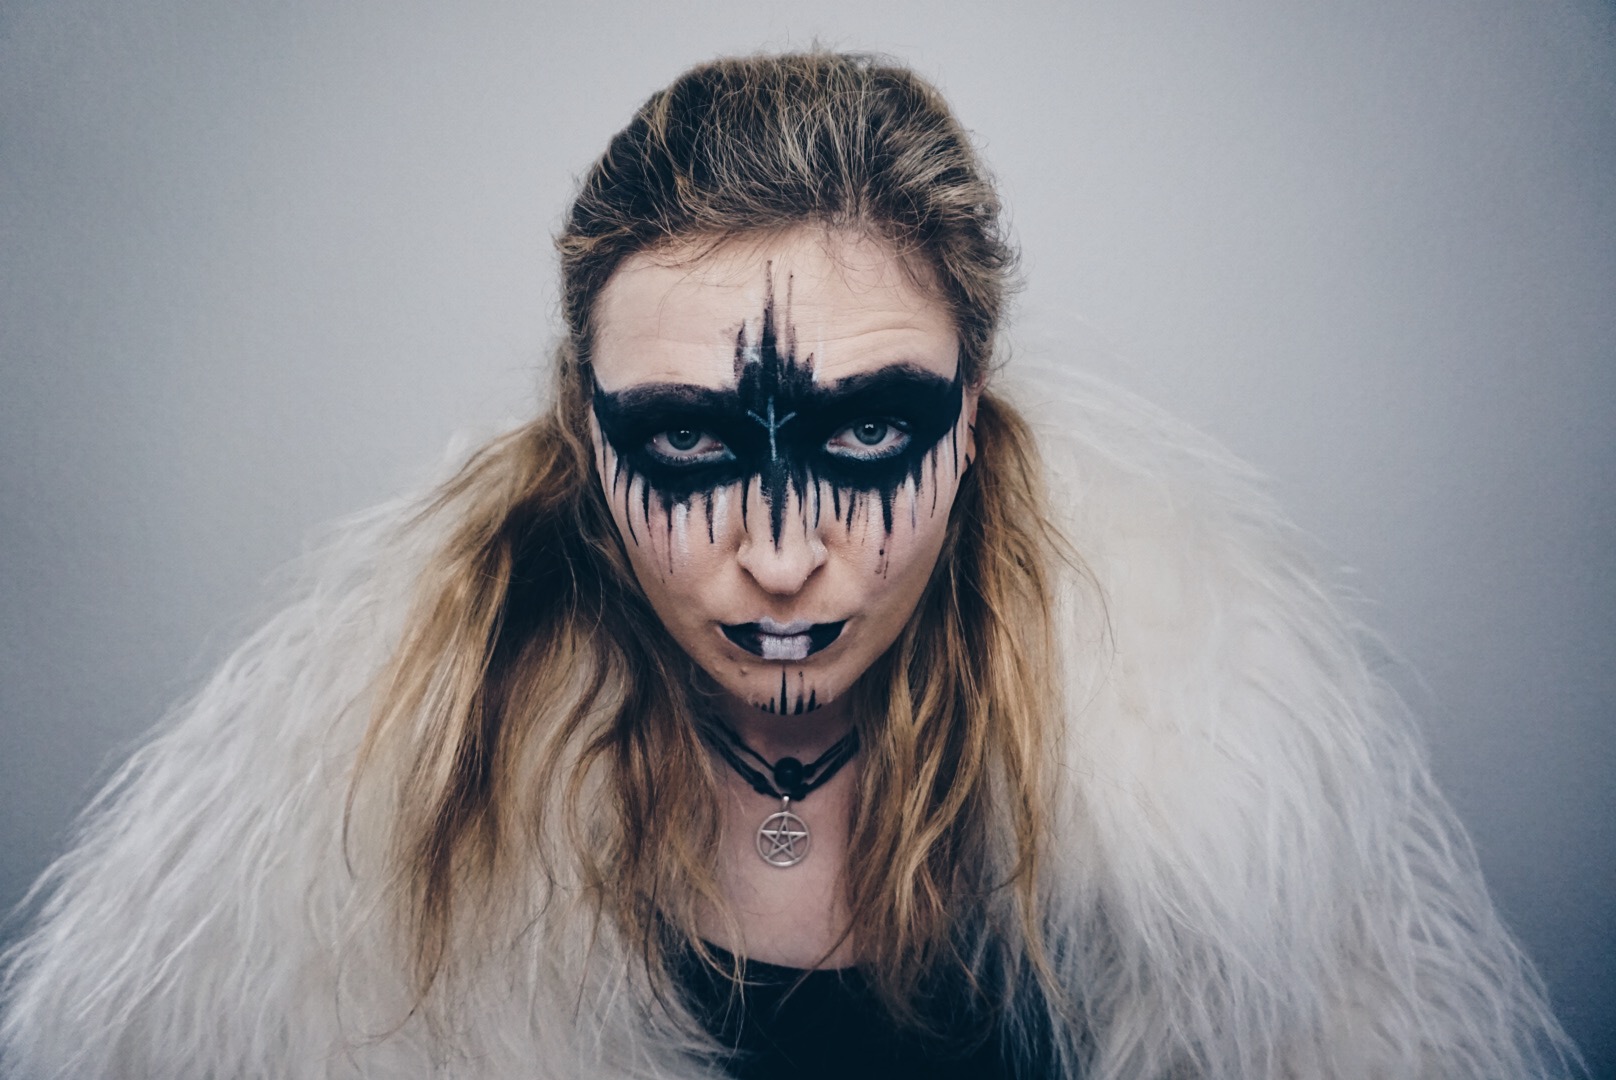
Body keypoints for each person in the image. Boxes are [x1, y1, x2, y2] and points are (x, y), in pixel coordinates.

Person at [0, 51, 1583, 1080]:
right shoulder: (356, 838)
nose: (776, 554)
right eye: (688, 442)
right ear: (583, 432)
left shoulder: (1226, 824)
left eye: (872, 431)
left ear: (974, 416)